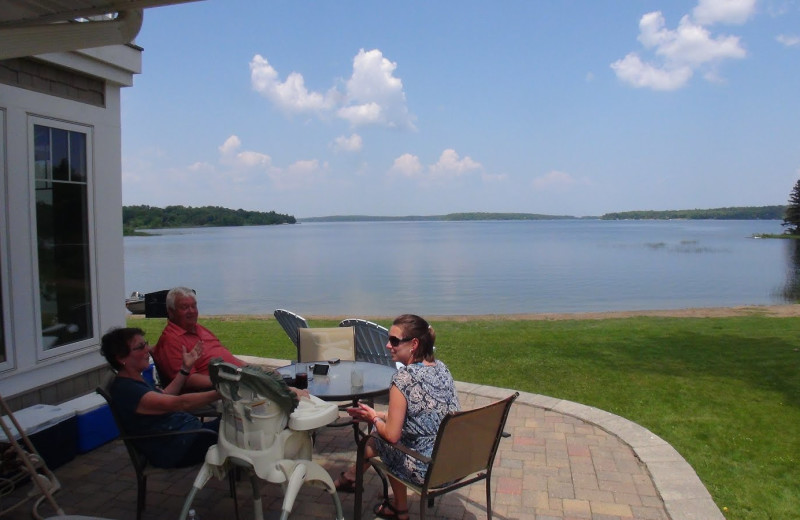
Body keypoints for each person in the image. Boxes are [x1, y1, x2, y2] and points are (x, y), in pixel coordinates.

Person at [333, 314, 460, 520]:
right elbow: (425, 414)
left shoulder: (403, 378)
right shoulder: (442, 369)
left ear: (414, 344)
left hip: (427, 468)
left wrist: (374, 418)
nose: (387, 345)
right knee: (383, 434)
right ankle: (353, 478)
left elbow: (392, 436)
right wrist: (380, 414)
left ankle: (398, 510)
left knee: (378, 438)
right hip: (454, 462)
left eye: (394, 341)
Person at [100, 327, 221, 468]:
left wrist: (185, 369)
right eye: (140, 347)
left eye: (145, 344)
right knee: (241, 426)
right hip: (179, 448)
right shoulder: (128, 391)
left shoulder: (134, 380)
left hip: (187, 435)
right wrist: (220, 392)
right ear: (121, 358)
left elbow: (166, 396)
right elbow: (181, 403)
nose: (147, 350)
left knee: (236, 423)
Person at [152, 287, 245, 391]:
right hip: (220, 391)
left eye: (194, 306)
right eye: (185, 307)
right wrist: (228, 381)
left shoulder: (199, 328)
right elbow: (187, 380)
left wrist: (247, 367)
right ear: (171, 311)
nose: (191, 311)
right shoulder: (171, 340)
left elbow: (223, 354)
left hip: (238, 379)